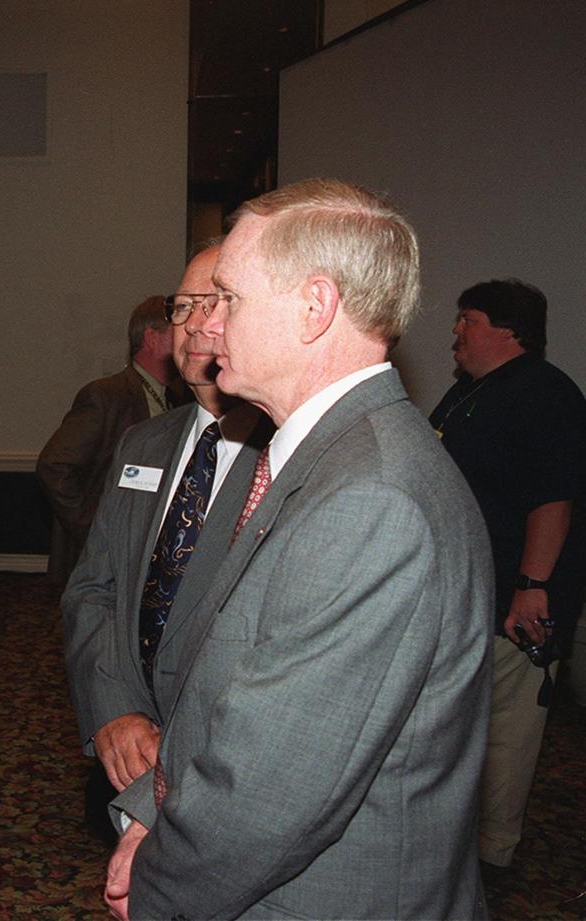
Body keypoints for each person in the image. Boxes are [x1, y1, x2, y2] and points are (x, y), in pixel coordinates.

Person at [105, 179, 493, 920]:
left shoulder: (369, 497)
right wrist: (151, 811)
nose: (206, 326)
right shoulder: (323, 459)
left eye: (230, 299)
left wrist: (154, 883)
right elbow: (225, 682)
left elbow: (272, 790)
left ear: (315, 308)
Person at [63, 241, 269, 822]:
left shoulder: (292, 455)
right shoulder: (144, 441)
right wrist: (113, 708)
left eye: (219, 302)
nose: (197, 324)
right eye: (183, 306)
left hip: (232, 771)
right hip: (128, 751)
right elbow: (94, 588)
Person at [428, 278, 586, 871]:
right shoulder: (468, 393)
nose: (455, 332)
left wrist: (532, 590)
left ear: (509, 331)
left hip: (513, 605)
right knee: (461, 731)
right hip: (464, 600)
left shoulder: (545, 395)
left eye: (468, 319)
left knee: (506, 734)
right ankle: (452, 846)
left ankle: (491, 858)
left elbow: (553, 501)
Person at [38, 298, 188, 587]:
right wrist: (94, 529)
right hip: (106, 561)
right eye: (178, 329)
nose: (188, 337)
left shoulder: (179, 399)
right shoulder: (107, 395)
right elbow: (54, 466)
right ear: (152, 338)